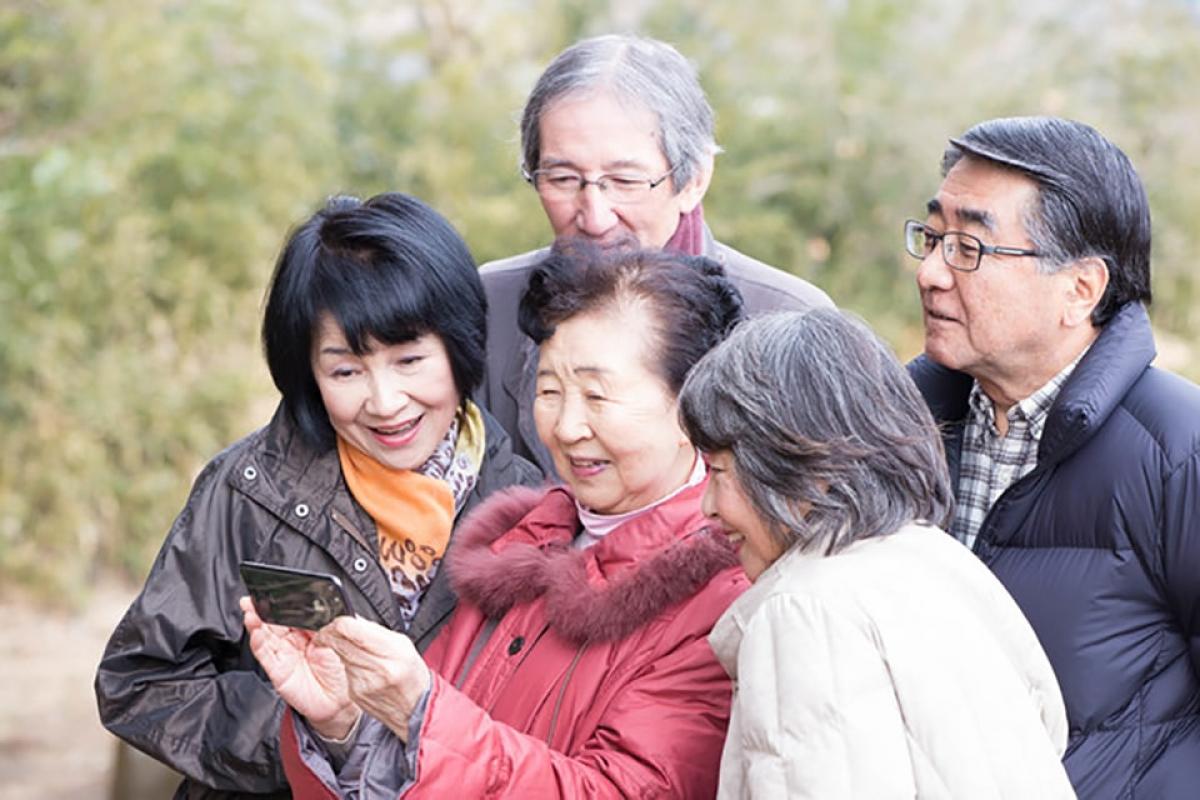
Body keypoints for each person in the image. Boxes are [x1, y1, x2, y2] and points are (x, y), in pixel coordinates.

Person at [244, 245, 748, 798]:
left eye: (597, 396)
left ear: (692, 407)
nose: (566, 427)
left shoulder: (723, 598)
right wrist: (342, 724)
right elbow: (422, 754)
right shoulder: (519, 548)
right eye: (550, 391)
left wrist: (423, 711)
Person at [95, 192, 541, 799]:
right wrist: (314, 733)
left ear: (460, 346)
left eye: (410, 360)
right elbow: (140, 682)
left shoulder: (530, 508)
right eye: (346, 371)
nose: (385, 402)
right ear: (307, 371)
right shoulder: (252, 488)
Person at [905, 116, 1200, 797]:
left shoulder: (1178, 452)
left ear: (1080, 289)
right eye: (933, 238)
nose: (930, 273)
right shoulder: (896, 429)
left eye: (970, 247)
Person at [678, 309, 1074, 798]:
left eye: (719, 472)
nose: (708, 507)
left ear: (806, 466)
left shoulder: (804, 612)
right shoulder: (932, 559)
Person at [477, 33, 833, 472]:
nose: (595, 216)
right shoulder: (488, 308)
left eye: (625, 182)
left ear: (694, 179)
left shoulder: (791, 322)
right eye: (563, 179)